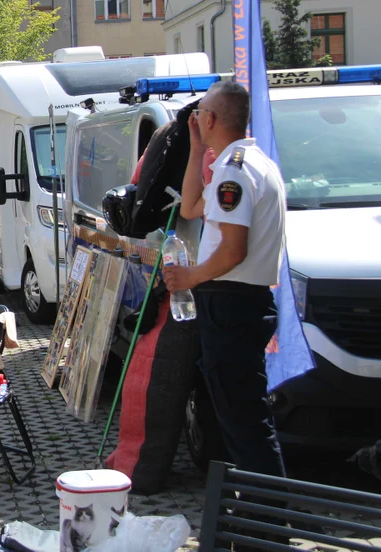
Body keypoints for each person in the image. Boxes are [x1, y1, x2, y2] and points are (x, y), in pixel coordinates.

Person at [162, 80, 287, 478]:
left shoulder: (235, 172)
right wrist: (198, 149)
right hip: (237, 303)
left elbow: (234, 250)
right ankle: (256, 515)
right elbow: (190, 205)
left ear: (211, 118)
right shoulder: (246, 164)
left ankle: (272, 526)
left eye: (199, 115)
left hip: (232, 303)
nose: (195, 120)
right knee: (236, 417)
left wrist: (189, 277)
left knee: (245, 422)